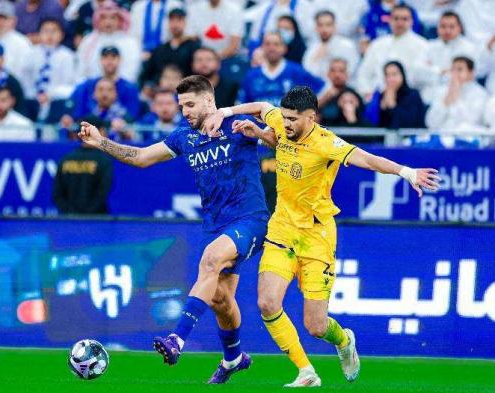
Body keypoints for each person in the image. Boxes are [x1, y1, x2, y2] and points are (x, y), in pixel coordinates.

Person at [204, 86, 439, 387]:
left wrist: (406, 172)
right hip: (282, 230)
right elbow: (262, 107)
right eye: (284, 117)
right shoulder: (280, 123)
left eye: (293, 119)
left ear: (311, 117)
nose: (285, 124)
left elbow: (367, 159)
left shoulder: (327, 143)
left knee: (315, 326)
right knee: (266, 303)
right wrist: (232, 116)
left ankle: (344, 341)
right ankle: (306, 372)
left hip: (317, 236)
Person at [78, 75, 270, 384]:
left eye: (191, 105)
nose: (186, 112)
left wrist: (243, 120)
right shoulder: (184, 136)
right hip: (214, 224)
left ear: (210, 101)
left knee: (209, 261)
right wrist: (101, 142)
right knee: (221, 299)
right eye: (182, 106)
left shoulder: (238, 127)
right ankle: (234, 358)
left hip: (250, 219)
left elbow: (276, 126)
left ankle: (176, 339)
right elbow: (141, 158)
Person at [239, 32, 324, 105]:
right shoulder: (251, 75)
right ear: (262, 47)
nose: (272, 48)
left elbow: (323, 88)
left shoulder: (296, 71)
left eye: (276, 44)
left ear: (284, 48)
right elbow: (242, 105)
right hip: (259, 123)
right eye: (267, 44)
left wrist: (310, 113)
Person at [54, 123, 113, 215]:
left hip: (69, 220)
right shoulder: (103, 161)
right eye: (103, 133)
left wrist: (70, 213)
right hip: (97, 220)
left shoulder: (66, 159)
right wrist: (88, 214)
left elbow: (57, 194)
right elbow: (103, 192)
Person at [425, 56, 488, 134]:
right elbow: (430, 123)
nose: (455, 73)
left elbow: (472, 122)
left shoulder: (480, 94)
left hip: (468, 139)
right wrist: (445, 102)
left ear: (471, 73)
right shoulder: (442, 91)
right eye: (452, 70)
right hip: (440, 138)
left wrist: (456, 99)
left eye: (459, 69)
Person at [140, 8, 200, 86]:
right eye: (172, 20)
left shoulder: (194, 47)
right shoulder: (160, 49)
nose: (175, 24)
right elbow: (148, 74)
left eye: (179, 20)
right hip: (161, 92)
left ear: (185, 23)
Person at [365, 61, 426, 128]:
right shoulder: (382, 96)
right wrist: (382, 109)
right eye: (387, 75)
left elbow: (410, 122)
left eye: (394, 74)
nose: (391, 79)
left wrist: (392, 105)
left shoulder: (412, 95)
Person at [302, 10, 359, 80]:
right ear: (316, 28)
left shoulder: (347, 46)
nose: (324, 29)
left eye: (328, 25)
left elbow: (351, 71)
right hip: (320, 88)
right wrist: (316, 57)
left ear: (334, 26)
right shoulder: (312, 48)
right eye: (320, 25)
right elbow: (307, 73)